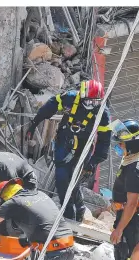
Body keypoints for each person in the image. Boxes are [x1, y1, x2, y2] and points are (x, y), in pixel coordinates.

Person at [26, 80, 111, 221]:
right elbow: (51, 104)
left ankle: (79, 208)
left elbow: (104, 142)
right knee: (61, 179)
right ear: (82, 96)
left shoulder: (102, 113)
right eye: (88, 101)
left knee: (74, 182)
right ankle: (69, 212)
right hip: (63, 143)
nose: (91, 105)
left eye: (94, 102)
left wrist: (93, 162)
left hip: (83, 149)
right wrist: (35, 123)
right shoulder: (70, 98)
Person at [108, 119, 139, 260]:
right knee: (132, 253)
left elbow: (132, 204)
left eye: (121, 144)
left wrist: (119, 230)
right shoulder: (135, 155)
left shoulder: (135, 168)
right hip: (130, 213)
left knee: (126, 257)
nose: (119, 146)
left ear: (131, 144)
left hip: (132, 215)